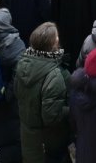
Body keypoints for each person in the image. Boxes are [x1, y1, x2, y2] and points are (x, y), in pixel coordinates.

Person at [14, 22, 71, 163]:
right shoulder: (54, 75)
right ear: (53, 43)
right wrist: (71, 110)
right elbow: (51, 117)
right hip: (47, 141)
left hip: (28, 135)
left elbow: (16, 93)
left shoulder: (22, 64)